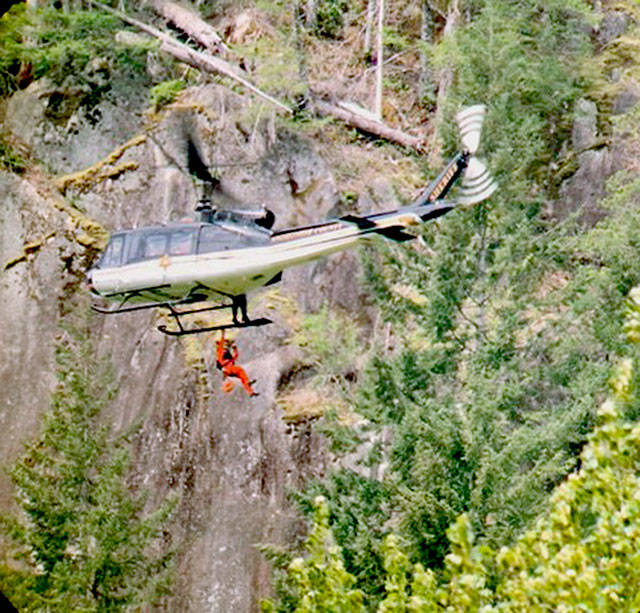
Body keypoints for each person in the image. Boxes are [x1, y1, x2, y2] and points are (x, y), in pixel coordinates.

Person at [215, 330, 258, 396]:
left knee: (242, 376)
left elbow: (235, 356)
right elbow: (222, 343)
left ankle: (250, 392)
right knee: (241, 371)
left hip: (230, 371)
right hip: (228, 370)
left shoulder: (227, 357)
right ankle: (248, 384)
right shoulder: (220, 354)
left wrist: (235, 349)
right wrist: (223, 334)